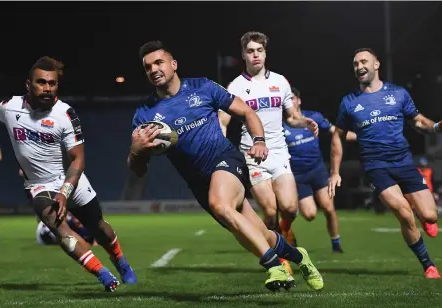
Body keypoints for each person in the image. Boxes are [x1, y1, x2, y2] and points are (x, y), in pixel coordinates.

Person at [129, 40, 323, 291]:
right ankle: (301, 258)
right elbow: (138, 169)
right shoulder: (144, 115)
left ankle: (275, 266)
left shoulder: (203, 87)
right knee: (256, 233)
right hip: (199, 182)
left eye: (159, 62)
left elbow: (247, 112)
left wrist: (259, 141)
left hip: (226, 159)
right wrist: (136, 152)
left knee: (220, 205)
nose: (154, 69)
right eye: (147, 67)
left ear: (173, 64)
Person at [0, 56, 136, 292]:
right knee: (56, 224)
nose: (48, 88)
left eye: (52, 83)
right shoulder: (10, 107)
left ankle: (119, 260)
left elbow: (78, 159)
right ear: (28, 85)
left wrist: (65, 193)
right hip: (40, 185)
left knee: (100, 228)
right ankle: (103, 274)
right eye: (41, 82)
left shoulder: (65, 115)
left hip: (71, 179)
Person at [328, 48, 442, 279]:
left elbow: (418, 122)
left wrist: (437, 128)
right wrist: (334, 172)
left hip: (404, 162)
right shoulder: (349, 102)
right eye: (355, 64)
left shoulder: (398, 93)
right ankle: (428, 265)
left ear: (376, 64)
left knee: (430, 216)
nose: (359, 67)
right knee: (404, 214)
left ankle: (424, 216)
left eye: (363, 62)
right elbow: (337, 137)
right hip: (375, 167)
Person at [219, 32, 318, 251]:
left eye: (260, 50)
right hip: (252, 155)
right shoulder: (235, 86)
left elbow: (291, 117)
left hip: (279, 152)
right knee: (270, 212)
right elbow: (223, 121)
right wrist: (221, 149)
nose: (256, 55)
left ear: (265, 53)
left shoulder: (280, 81)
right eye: (251, 51)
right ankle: (280, 258)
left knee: (291, 208)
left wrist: (304, 123)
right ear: (244, 54)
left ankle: (285, 231)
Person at [282, 87, 357, 253]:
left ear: (299, 100)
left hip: (318, 170)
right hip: (298, 176)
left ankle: (336, 244)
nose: (291, 102)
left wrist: (361, 136)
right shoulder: (281, 126)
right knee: (309, 215)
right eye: (287, 99)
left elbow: (335, 132)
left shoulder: (314, 117)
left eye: (293, 98)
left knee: (329, 208)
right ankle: (289, 236)